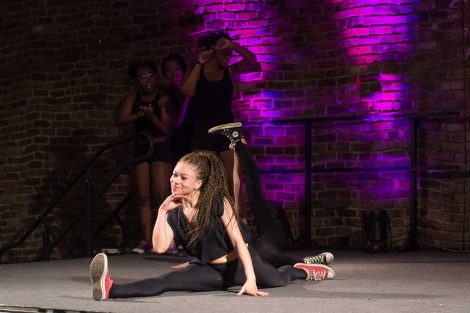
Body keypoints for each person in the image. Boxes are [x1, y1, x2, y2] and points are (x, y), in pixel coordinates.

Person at [89, 152, 335, 300]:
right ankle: (111, 289)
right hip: (207, 269)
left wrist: (250, 279)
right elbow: (160, 247)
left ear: (198, 183)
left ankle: (302, 270)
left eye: (182, 177)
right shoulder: (173, 211)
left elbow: (239, 241)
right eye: (174, 174)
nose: (174, 180)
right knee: (166, 281)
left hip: (237, 263)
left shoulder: (218, 200)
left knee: (279, 280)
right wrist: (162, 212)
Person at [181, 30, 260, 219]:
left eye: (229, 51)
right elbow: (187, 92)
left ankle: (239, 229)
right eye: (224, 50)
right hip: (203, 131)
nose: (229, 55)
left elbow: (253, 63)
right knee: (203, 182)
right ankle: (204, 230)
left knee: (232, 182)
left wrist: (232, 45)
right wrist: (200, 63)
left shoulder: (229, 70)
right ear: (212, 51)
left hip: (227, 131)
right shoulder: (197, 69)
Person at [117, 61, 172, 254]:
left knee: (162, 195)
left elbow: (166, 128)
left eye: (150, 75)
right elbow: (121, 119)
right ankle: (146, 239)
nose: (147, 80)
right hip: (142, 147)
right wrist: (139, 114)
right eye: (143, 77)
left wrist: (151, 116)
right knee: (143, 196)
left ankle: (167, 239)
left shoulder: (163, 97)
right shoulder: (134, 97)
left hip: (159, 146)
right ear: (137, 81)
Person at [160, 53, 193, 166]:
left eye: (177, 68)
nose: (174, 73)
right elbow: (176, 123)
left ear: (183, 70)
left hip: (199, 138)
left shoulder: (195, 86)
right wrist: (185, 96)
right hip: (180, 141)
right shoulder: (167, 95)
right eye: (169, 70)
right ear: (165, 74)